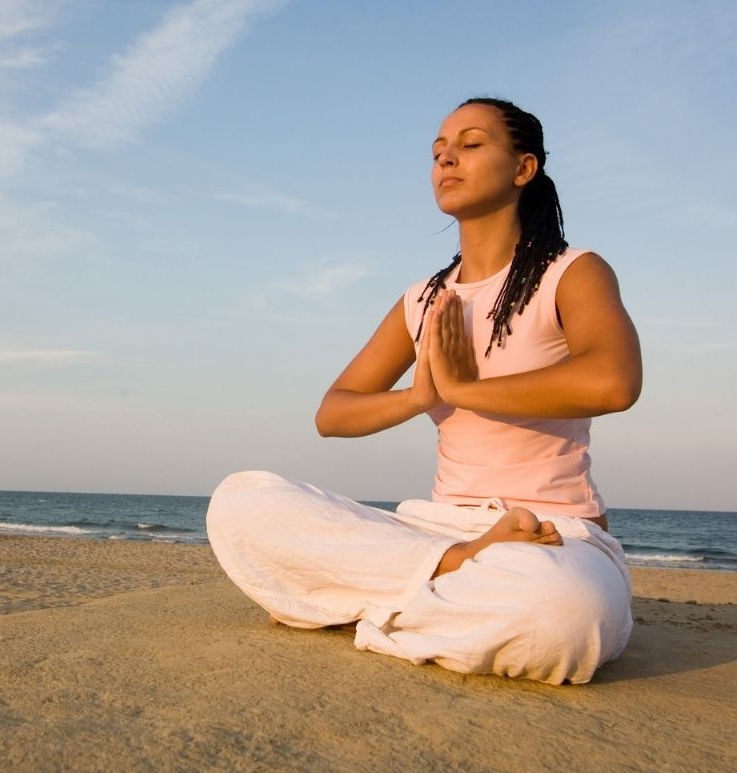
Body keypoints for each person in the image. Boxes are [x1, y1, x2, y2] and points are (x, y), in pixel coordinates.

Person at [207, 97, 642, 685]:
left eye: (470, 144)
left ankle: (358, 605)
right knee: (241, 500)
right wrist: (420, 397)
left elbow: (613, 381)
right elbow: (333, 413)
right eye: (438, 152)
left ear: (523, 168)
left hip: (552, 534)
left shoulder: (572, 272)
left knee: (566, 615)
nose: (447, 160)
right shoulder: (423, 299)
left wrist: (464, 387)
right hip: (438, 533)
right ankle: (449, 573)